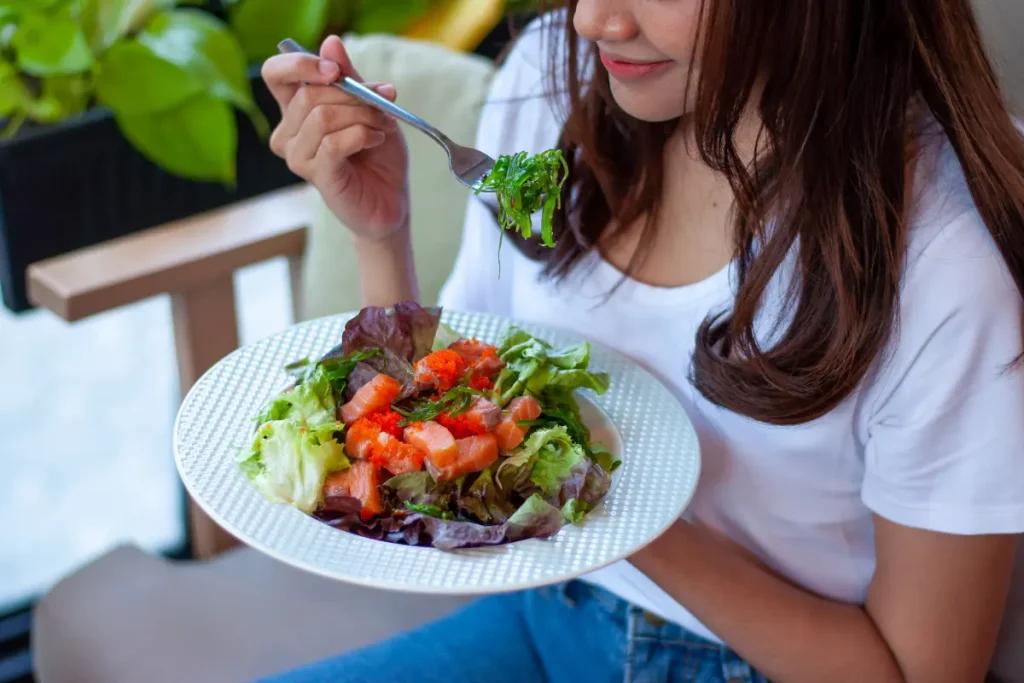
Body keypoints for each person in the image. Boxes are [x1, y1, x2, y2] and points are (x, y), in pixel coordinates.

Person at [258, 1, 1024, 681]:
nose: (593, 19)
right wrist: (380, 234)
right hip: (545, 610)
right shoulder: (549, 81)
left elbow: (918, 670)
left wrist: (605, 500)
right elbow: (449, 400)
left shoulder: (938, 269)